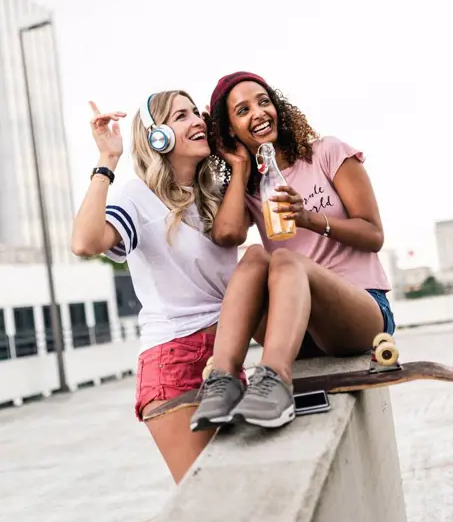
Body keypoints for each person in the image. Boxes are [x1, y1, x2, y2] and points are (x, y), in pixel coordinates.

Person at [71, 91, 271, 483]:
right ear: (158, 137)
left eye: (197, 113)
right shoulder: (138, 197)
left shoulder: (213, 194)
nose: (197, 120)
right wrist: (107, 160)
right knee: (210, 500)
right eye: (181, 116)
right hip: (174, 362)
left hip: (224, 359)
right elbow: (85, 242)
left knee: (243, 490)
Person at [190, 71, 394, 431]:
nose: (258, 113)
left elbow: (374, 234)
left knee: (283, 258)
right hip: (295, 328)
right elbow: (228, 235)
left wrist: (309, 218)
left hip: (359, 311)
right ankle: (223, 380)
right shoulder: (254, 188)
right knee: (254, 256)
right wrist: (238, 166)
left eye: (264, 101)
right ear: (230, 129)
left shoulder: (326, 153)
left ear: (278, 108)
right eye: (242, 110)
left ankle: (275, 380)